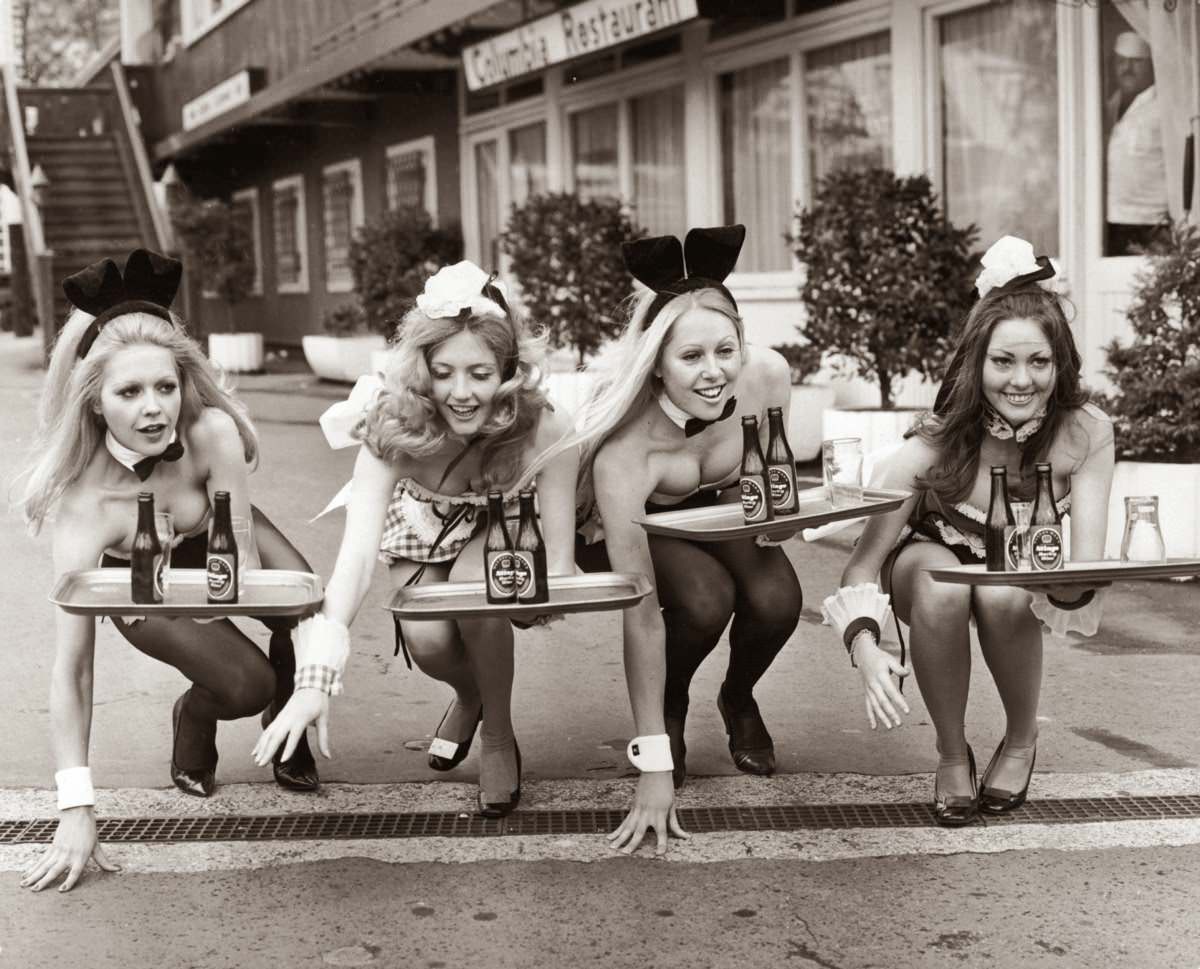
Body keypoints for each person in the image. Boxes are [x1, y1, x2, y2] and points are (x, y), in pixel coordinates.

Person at [17, 249, 319, 894]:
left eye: (164, 386)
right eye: (129, 392)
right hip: (138, 580)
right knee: (247, 686)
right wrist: (74, 805)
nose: (154, 409)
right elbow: (73, 667)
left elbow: (238, 556)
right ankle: (199, 713)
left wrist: (310, 659)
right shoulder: (83, 508)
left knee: (305, 604)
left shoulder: (210, 431)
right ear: (95, 403)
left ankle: (289, 725)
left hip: (213, 529)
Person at [253, 260, 577, 818]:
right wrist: (314, 680)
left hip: (504, 525)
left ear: (509, 370)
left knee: (480, 599)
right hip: (425, 524)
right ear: (421, 369)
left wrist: (544, 591)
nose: (462, 393)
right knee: (427, 643)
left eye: (480, 373)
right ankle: (470, 695)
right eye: (444, 372)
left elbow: (564, 561)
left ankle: (497, 733)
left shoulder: (544, 425)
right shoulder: (394, 428)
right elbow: (351, 567)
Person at [826, 235, 1114, 826]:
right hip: (928, 559)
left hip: (1019, 565)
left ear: (1060, 365)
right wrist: (865, 646)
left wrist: (1072, 586)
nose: (1021, 380)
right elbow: (860, 565)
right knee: (944, 585)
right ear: (975, 362)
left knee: (1007, 592)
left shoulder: (1087, 433)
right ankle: (951, 753)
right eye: (1003, 361)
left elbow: (1081, 573)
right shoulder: (932, 443)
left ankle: (1021, 739)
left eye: (1038, 361)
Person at [545, 225, 802, 856]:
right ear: (655, 361)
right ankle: (671, 703)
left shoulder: (767, 377)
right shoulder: (624, 450)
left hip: (716, 505)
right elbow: (641, 616)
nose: (714, 372)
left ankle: (738, 695)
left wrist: (787, 515)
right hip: (629, 524)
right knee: (704, 599)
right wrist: (652, 762)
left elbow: (772, 486)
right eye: (690, 358)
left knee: (778, 599)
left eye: (725, 349)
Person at [1105, 31, 1168, 255]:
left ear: (1152, 65)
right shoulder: (1110, 105)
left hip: (1152, 223)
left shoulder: (1165, 105)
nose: (1127, 68)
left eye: (1136, 61)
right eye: (1121, 61)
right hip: (1113, 220)